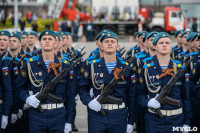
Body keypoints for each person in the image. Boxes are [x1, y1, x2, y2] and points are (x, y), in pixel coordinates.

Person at [17, 30, 76, 133]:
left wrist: (69, 121)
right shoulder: (30, 65)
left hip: (58, 115)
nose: (47, 41)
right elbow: (20, 88)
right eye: (44, 39)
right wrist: (27, 98)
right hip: (36, 115)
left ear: (55, 43)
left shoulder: (65, 66)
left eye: (50, 39)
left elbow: (71, 95)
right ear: (40, 43)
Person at [79, 31, 136, 133]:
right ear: (101, 46)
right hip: (97, 115)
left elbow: (131, 95)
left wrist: (131, 121)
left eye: (112, 42)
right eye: (106, 41)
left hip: (119, 115)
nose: (109, 43)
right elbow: (83, 89)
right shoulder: (92, 66)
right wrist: (89, 102)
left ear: (117, 46)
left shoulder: (126, 67)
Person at [137, 32, 191, 133]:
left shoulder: (180, 69)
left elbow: (186, 97)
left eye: (167, 43)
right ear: (155, 46)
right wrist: (148, 102)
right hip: (154, 120)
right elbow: (139, 94)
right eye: (161, 43)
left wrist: (187, 122)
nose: (164, 45)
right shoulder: (146, 69)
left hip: (176, 119)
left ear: (171, 47)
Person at [0, 30, 14, 133]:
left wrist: (6, 113)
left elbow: (8, 89)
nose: (1, 42)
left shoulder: (7, 61)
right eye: (0, 39)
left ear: (9, 43)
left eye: (4, 40)